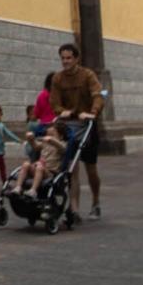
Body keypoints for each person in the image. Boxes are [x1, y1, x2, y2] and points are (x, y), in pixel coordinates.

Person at [48, 41, 106, 220]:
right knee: (72, 169)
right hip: (69, 126)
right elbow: (54, 102)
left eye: (68, 58)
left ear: (76, 59)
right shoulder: (58, 78)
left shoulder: (87, 75)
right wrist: (60, 111)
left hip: (87, 124)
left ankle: (96, 202)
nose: (65, 62)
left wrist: (93, 112)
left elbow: (97, 95)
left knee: (91, 169)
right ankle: (74, 210)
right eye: (63, 58)